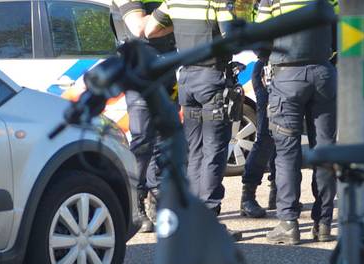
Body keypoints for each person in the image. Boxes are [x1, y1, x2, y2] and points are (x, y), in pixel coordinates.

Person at [257, 0, 339, 245]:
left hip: (287, 77)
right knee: (325, 150)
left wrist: (266, 58)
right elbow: (336, 35)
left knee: (287, 154)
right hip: (323, 75)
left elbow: (261, 39)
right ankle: (323, 223)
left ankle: (288, 223)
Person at [144, 0, 237, 216]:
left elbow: (150, 30)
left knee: (194, 150)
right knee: (214, 148)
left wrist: (178, 28)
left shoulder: (172, 2)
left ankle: (195, 212)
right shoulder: (217, 2)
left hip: (186, 79)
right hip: (212, 79)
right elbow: (230, 39)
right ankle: (209, 212)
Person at [111, 0, 178, 232]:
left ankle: (157, 198)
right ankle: (134, 202)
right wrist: (173, 18)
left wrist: (164, 24)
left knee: (163, 139)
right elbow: (139, 28)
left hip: (166, 68)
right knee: (142, 141)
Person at [240, 53, 276, 219]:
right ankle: (248, 196)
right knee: (265, 138)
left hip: (300, 71)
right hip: (268, 72)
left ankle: (279, 192)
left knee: (287, 138)